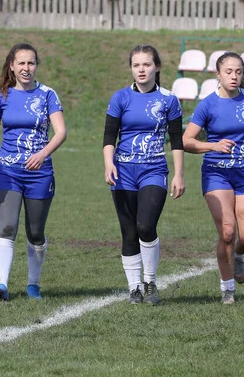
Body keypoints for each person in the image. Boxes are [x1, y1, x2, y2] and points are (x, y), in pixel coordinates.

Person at [0, 43, 67, 301]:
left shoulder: (48, 95)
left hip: (40, 173)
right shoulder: (2, 96)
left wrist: (42, 155)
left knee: (35, 232)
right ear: (12, 66)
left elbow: (60, 131)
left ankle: (33, 284)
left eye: (31, 63)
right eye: (21, 63)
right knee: (6, 227)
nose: (26, 68)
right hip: (7, 170)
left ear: (36, 66)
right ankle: (1, 284)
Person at [103, 45, 185, 305]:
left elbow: (176, 140)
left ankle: (150, 282)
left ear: (156, 67)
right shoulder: (120, 98)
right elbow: (109, 136)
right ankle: (133, 288)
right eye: (136, 65)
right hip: (123, 172)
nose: (141, 69)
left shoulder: (169, 99)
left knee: (145, 226)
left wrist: (179, 174)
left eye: (146, 64)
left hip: (154, 170)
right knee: (128, 232)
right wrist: (108, 164)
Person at [183, 52, 244, 305]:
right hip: (216, 173)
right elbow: (186, 141)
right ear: (218, 75)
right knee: (228, 231)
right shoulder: (207, 104)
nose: (234, 76)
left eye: (239, 72)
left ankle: (240, 256)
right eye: (229, 72)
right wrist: (213, 146)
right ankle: (227, 288)